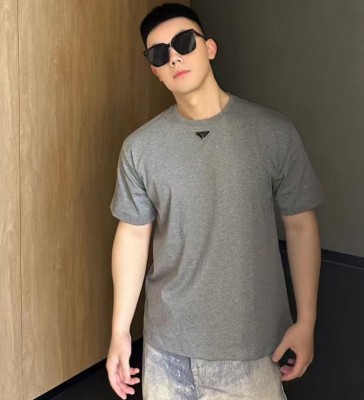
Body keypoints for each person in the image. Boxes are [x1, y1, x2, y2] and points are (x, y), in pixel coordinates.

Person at [106, 3, 325, 400]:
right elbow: (134, 236)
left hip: (251, 351)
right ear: (155, 70)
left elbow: (300, 225)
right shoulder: (140, 148)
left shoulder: (272, 133)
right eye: (159, 54)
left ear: (209, 48)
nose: (174, 57)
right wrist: (120, 331)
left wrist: (306, 321)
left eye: (184, 42)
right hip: (165, 352)